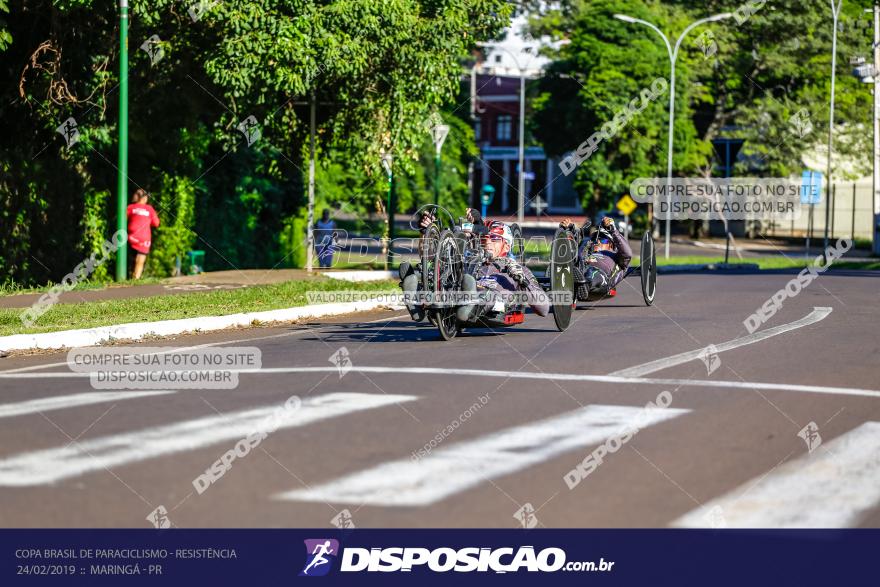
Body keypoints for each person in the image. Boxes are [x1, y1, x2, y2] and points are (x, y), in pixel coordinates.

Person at [561, 215, 632, 297]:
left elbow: (627, 253)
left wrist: (613, 230)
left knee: (591, 272)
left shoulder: (617, 257)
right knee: (569, 258)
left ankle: (584, 285)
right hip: (579, 269)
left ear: (611, 245)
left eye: (603, 240)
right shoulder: (586, 251)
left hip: (601, 278)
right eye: (594, 239)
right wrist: (568, 230)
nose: (597, 242)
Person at [126, 188, 160, 280]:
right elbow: (156, 223)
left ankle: (128, 277)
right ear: (145, 198)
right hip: (144, 239)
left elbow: (123, 219)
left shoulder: (130, 207)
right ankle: (135, 279)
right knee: (140, 261)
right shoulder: (149, 209)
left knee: (130, 261)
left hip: (131, 238)